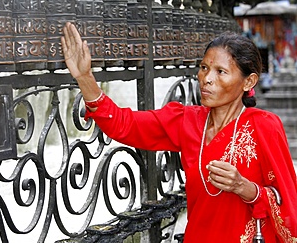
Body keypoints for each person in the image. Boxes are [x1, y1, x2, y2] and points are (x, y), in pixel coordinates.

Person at [61, 22, 297, 242]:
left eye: (221, 72)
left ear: (248, 82)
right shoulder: (186, 120)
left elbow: (289, 203)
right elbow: (124, 124)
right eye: (204, 68)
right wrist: (85, 77)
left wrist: (245, 188)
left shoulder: (264, 125)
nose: (206, 79)